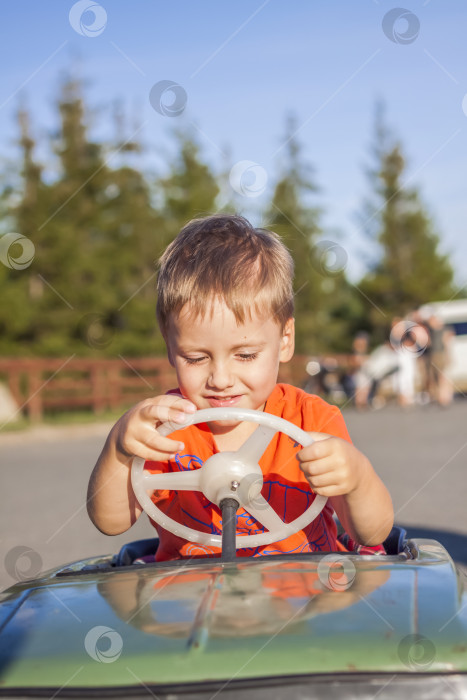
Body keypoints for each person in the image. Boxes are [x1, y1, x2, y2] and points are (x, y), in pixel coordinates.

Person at [87, 215, 394, 561]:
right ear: (170, 347)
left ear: (285, 340)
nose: (220, 378)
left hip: (307, 596)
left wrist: (358, 478)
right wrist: (119, 448)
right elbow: (111, 522)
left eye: (245, 355)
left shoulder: (311, 420)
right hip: (192, 601)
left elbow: (372, 532)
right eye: (196, 357)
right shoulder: (164, 429)